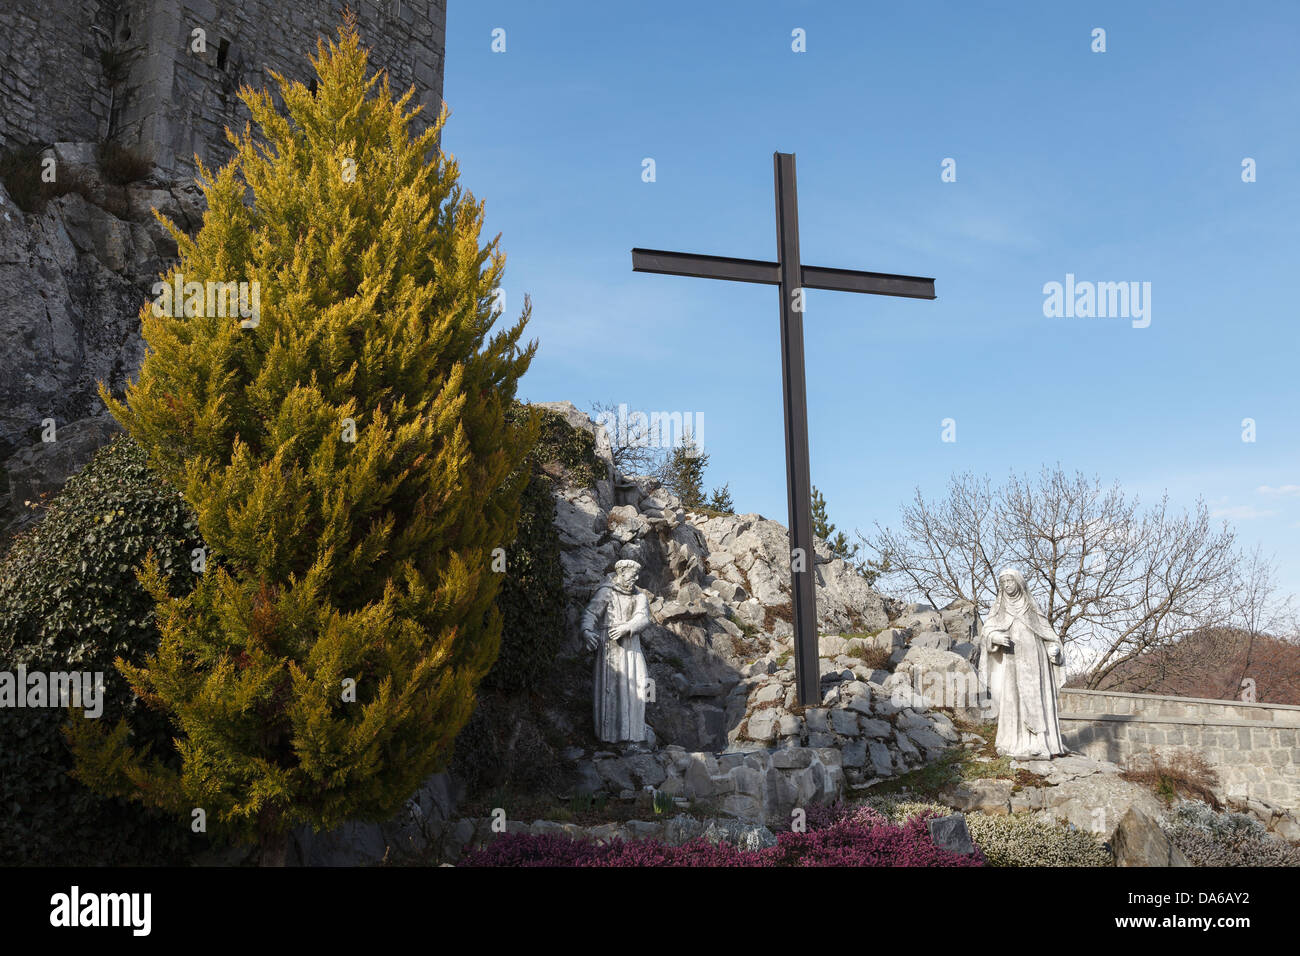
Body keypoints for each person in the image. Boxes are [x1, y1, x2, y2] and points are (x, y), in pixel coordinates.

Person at [978, 568, 1068, 759]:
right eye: (1004, 583)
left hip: (1035, 661)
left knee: (1035, 699)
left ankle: (1039, 743)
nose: (1007, 585)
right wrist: (994, 637)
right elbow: (987, 630)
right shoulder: (999, 608)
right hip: (1011, 662)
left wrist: (1054, 649)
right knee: (1012, 699)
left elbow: (1049, 635)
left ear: (1019, 582)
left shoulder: (1031, 608)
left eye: (1010, 581)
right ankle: (1012, 741)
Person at [582, 559, 652, 744]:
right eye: (632, 574)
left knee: (638, 684)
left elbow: (643, 618)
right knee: (612, 689)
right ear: (621, 572)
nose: (635, 578)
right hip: (610, 647)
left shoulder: (640, 597)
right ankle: (609, 738)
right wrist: (587, 631)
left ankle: (633, 734)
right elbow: (591, 613)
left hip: (631, 646)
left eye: (638, 575)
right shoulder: (606, 592)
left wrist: (627, 627)